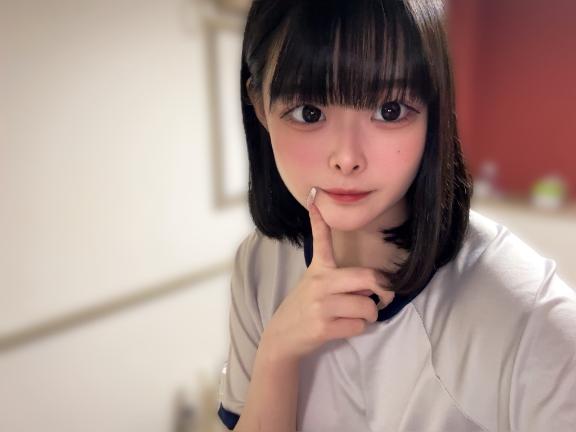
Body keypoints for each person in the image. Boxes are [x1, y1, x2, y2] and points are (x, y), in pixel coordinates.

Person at [217, 0, 576, 431]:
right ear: (260, 105)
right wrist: (277, 352)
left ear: (433, 110)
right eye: (309, 112)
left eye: (389, 110)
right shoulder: (259, 263)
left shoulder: (528, 315)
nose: (347, 157)